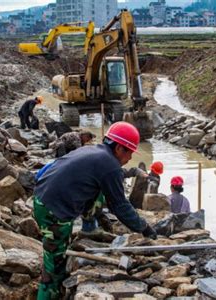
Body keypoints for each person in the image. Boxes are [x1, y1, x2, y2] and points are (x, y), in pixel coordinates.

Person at [33, 121, 157, 300]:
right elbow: (120, 206)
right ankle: (47, 294)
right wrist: (145, 228)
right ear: (119, 148)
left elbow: (111, 177)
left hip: (42, 197)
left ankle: (89, 228)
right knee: (54, 266)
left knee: (98, 190)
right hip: (53, 212)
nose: (130, 158)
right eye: (129, 152)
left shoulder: (92, 151)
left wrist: (131, 172)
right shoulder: (109, 165)